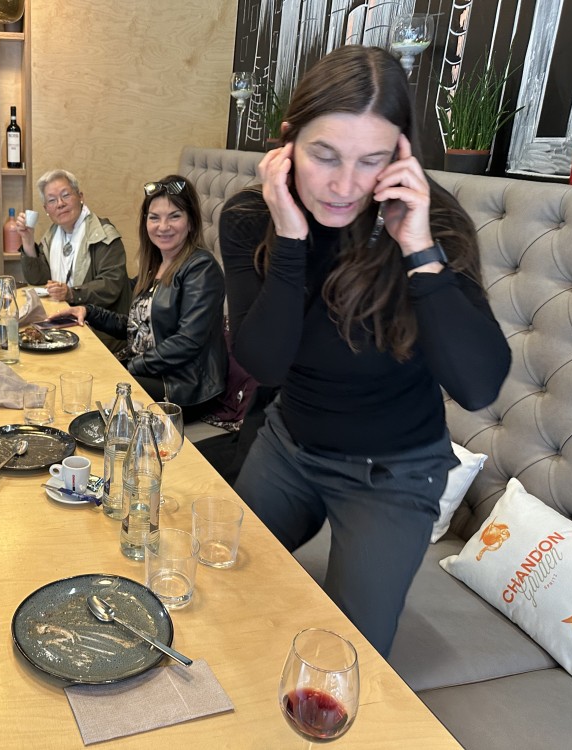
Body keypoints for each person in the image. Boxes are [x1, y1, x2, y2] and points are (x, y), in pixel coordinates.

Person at [220, 45, 511, 656]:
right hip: (290, 443)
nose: (345, 185)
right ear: (287, 143)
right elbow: (264, 364)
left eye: (371, 161)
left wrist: (419, 249)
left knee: (342, 655)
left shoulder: (432, 222)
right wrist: (291, 240)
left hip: (395, 470)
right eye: (324, 155)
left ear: (401, 155)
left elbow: (478, 386)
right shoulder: (252, 217)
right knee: (222, 587)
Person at [58, 176, 227, 418]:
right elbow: (135, 327)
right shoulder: (154, 266)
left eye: (174, 216)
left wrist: (131, 366)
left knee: (94, 391)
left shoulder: (202, 268)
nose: (163, 226)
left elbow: (187, 342)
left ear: (191, 222)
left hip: (184, 387)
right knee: (76, 376)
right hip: (151, 373)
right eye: (154, 217)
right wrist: (88, 311)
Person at [15, 168, 131, 352]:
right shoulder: (53, 234)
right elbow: (38, 279)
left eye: (65, 195)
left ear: (80, 197)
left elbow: (111, 286)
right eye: (52, 200)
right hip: (64, 323)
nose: (60, 204)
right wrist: (28, 240)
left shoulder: (103, 235)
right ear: (46, 209)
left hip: (100, 333)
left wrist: (71, 293)